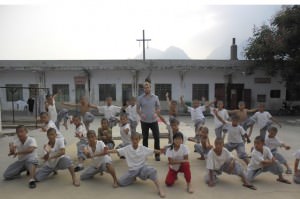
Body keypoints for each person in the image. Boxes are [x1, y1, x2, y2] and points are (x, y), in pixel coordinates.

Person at [108, 133, 165, 198]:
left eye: (136, 139)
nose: (134, 141)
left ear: (139, 139)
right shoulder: (127, 148)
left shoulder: (143, 148)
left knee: (152, 171)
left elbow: (153, 151)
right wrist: (108, 151)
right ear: (131, 139)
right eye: (133, 139)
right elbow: (116, 151)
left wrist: (161, 151)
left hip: (142, 169)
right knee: (120, 182)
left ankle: (160, 189)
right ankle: (133, 178)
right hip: (132, 171)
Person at [137, 79, 161, 161]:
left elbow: (158, 108)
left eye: (147, 87)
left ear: (150, 88)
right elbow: (137, 109)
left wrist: (156, 114)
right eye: (144, 87)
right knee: (145, 138)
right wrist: (141, 114)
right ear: (143, 89)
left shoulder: (155, 97)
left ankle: (157, 155)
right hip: (144, 122)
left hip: (154, 121)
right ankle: (145, 154)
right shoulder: (140, 98)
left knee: (157, 137)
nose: (146, 89)